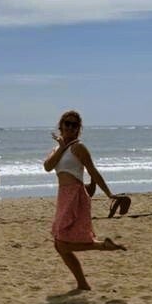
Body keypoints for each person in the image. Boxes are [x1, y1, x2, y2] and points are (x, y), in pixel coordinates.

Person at [43, 110, 125, 292]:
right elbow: (48, 167)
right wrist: (62, 147)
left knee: (62, 242)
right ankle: (83, 283)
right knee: (59, 244)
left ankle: (103, 246)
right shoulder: (58, 149)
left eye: (74, 125)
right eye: (67, 124)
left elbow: (93, 171)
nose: (70, 127)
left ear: (79, 129)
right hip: (63, 196)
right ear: (61, 126)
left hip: (75, 196)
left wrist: (109, 194)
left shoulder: (79, 148)